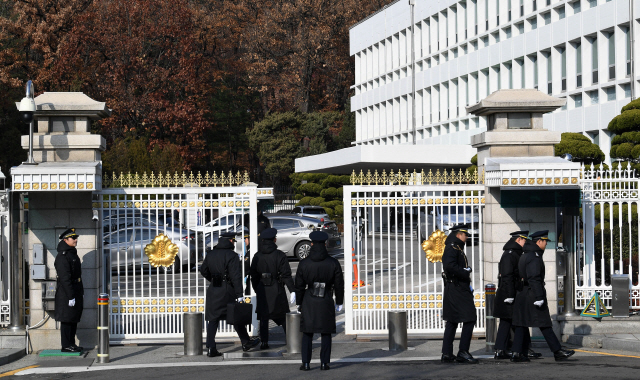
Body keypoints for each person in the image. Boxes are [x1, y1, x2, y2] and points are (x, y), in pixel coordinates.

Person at [510, 230, 575, 362]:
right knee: (544, 323)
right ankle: (557, 351)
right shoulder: (534, 256)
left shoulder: (526, 254)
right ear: (539, 241)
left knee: (522, 324)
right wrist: (539, 297)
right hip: (533, 294)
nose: (545, 244)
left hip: (524, 293)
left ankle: (517, 353)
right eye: (545, 242)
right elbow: (534, 278)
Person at [200, 232, 260, 357]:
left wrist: (213, 279)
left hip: (213, 288)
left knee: (213, 319)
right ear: (230, 241)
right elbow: (235, 276)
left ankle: (211, 347)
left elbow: (203, 270)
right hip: (227, 289)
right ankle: (245, 342)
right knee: (236, 315)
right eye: (233, 241)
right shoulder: (231, 255)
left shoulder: (210, 253)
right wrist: (239, 294)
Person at [295, 231, 344, 371]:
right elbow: (339, 284)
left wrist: (299, 302)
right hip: (326, 297)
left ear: (311, 244)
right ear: (325, 244)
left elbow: (299, 285)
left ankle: (306, 363)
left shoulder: (304, 263)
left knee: (307, 332)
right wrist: (339, 301)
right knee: (326, 332)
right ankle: (324, 363)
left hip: (309, 298)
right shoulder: (333, 262)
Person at [493, 231, 541, 360]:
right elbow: (507, 276)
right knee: (520, 320)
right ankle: (522, 349)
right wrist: (510, 295)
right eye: (524, 241)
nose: (525, 243)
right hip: (510, 292)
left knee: (507, 321)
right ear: (518, 240)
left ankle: (501, 349)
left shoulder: (514, 253)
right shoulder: (510, 254)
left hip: (511, 291)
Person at [250, 228, 295, 349]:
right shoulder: (279, 255)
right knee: (282, 315)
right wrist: (292, 290)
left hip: (262, 288)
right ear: (274, 240)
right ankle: (291, 340)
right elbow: (286, 274)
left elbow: (253, 275)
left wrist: (257, 288)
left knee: (264, 318)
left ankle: (264, 342)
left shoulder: (257, 255)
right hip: (276, 287)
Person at [441, 223, 478, 364]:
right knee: (470, 318)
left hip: (456, 287)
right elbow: (449, 265)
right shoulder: (452, 247)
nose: (467, 236)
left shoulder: (455, 247)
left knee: (452, 320)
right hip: (457, 288)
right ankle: (463, 351)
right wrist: (465, 271)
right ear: (458, 235)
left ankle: (447, 353)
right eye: (465, 234)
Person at [54, 228, 84, 353]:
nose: (76, 240)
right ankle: (66, 345)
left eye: (76, 238)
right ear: (65, 240)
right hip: (67, 293)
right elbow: (65, 278)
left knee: (73, 318)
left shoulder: (72, 253)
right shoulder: (63, 256)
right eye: (73, 238)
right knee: (67, 319)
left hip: (75, 290)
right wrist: (71, 296)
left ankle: (71, 343)